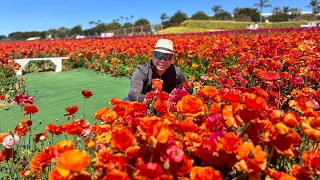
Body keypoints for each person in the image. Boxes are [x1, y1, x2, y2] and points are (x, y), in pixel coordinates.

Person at [125, 38, 193, 102]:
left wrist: (179, 92)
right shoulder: (142, 71)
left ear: (172, 59)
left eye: (167, 57)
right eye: (159, 55)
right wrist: (154, 100)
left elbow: (189, 89)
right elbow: (133, 94)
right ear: (152, 55)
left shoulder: (176, 72)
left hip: (168, 105)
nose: (162, 61)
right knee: (127, 101)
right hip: (144, 103)